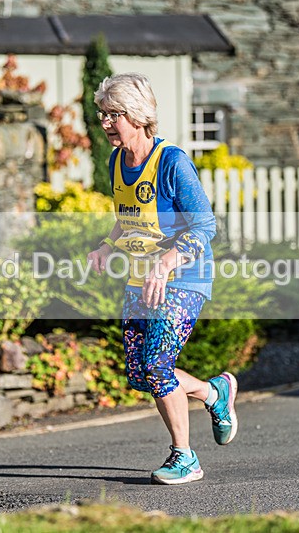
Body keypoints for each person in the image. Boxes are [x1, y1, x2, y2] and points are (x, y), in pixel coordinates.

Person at [86, 73, 237, 485]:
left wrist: (168, 261)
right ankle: (213, 392)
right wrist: (105, 246)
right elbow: (127, 218)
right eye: (102, 114)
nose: (104, 122)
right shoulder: (117, 161)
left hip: (185, 277)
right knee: (141, 373)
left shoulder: (172, 162)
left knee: (156, 364)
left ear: (136, 115)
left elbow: (205, 225)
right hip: (141, 279)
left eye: (112, 114)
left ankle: (184, 457)